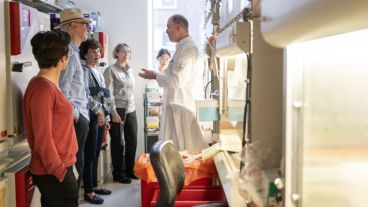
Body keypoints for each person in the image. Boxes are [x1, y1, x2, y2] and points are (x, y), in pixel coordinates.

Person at [24, 30, 78, 207]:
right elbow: (43, 140)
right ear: (63, 58)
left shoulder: (46, 85)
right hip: (54, 172)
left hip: (57, 169)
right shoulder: (43, 90)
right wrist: (61, 172)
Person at [139, 14, 204, 148]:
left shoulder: (187, 50)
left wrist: (155, 76)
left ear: (179, 27)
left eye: (169, 27)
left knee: (180, 152)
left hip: (182, 112)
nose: (166, 31)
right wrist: (156, 75)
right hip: (177, 111)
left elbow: (177, 81)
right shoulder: (182, 49)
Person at [55, 8, 94, 186]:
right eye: (84, 25)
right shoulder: (69, 54)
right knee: (76, 164)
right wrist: (77, 116)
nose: (87, 29)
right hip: (77, 118)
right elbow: (63, 91)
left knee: (80, 162)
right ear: (74, 26)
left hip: (80, 115)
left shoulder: (74, 52)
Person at [79, 39, 112, 204]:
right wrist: (98, 112)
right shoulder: (84, 70)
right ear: (85, 54)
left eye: (98, 51)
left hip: (100, 116)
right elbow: (86, 95)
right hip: (91, 116)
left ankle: (95, 185)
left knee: (96, 152)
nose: (97, 54)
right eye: (93, 51)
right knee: (89, 153)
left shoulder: (98, 71)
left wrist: (106, 116)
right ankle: (89, 191)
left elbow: (104, 95)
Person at [104, 43, 138, 183]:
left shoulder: (130, 70)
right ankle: (118, 173)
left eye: (128, 52)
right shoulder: (110, 70)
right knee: (118, 142)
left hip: (131, 107)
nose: (126, 54)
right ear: (117, 53)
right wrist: (113, 112)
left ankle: (129, 170)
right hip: (117, 108)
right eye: (123, 52)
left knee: (132, 140)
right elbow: (108, 93)